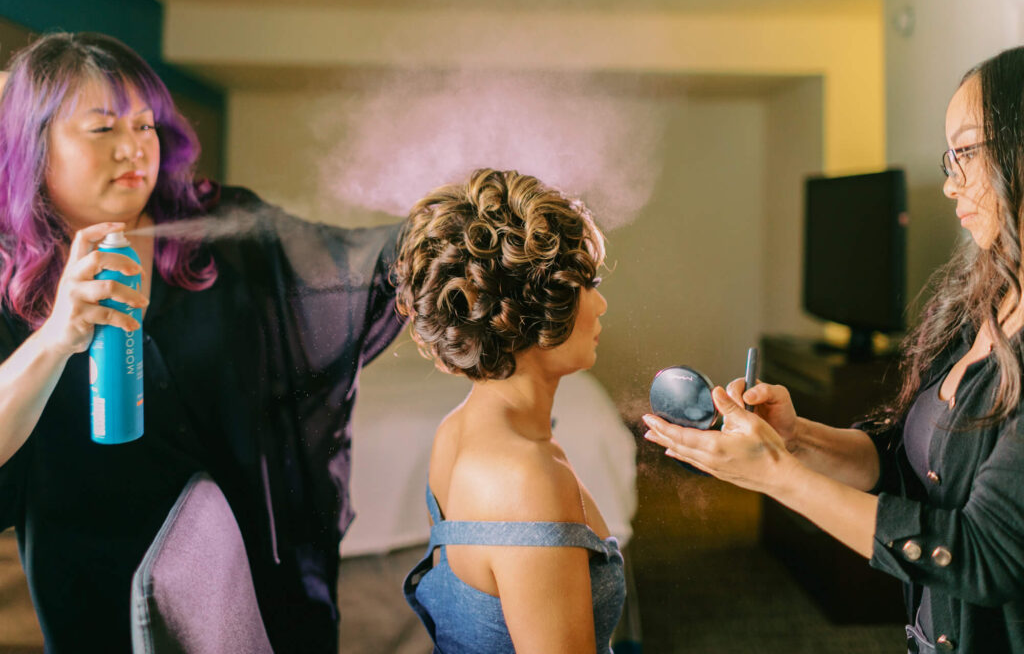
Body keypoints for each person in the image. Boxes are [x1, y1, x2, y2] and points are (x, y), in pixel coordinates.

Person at [0, 32, 405, 653]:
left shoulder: (219, 227)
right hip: (97, 593)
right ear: (33, 148)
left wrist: (433, 240)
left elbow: (351, 272)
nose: (135, 147)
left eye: (145, 125)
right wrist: (57, 337)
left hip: (253, 575)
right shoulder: (10, 280)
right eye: (103, 128)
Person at [644, 45, 1024, 653]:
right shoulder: (982, 305)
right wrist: (795, 438)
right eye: (947, 157)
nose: (951, 183)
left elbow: (985, 557)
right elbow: (906, 470)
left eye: (967, 152)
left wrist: (778, 476)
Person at [393, 169, 625, 653]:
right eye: (586, 283)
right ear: (534, 305)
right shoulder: (525, 479)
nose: (601, 304)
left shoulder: (455, 430)